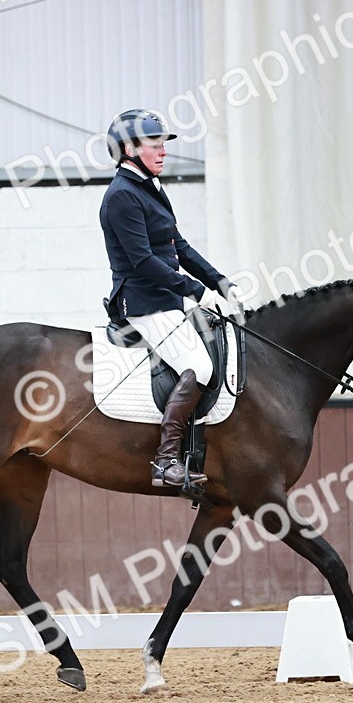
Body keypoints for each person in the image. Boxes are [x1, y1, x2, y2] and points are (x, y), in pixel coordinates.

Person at [100, 108, 242, 487]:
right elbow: (143, 261)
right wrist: (196, 291)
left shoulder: (151, 188)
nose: (164, 150)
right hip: (144, 303)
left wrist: (220, 282)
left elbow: (179, 247)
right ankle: (165, 462)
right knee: (202, 366)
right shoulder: (122, 197)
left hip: (167, 299)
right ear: (128, 149)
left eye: (164, 144)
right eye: (154, 143)